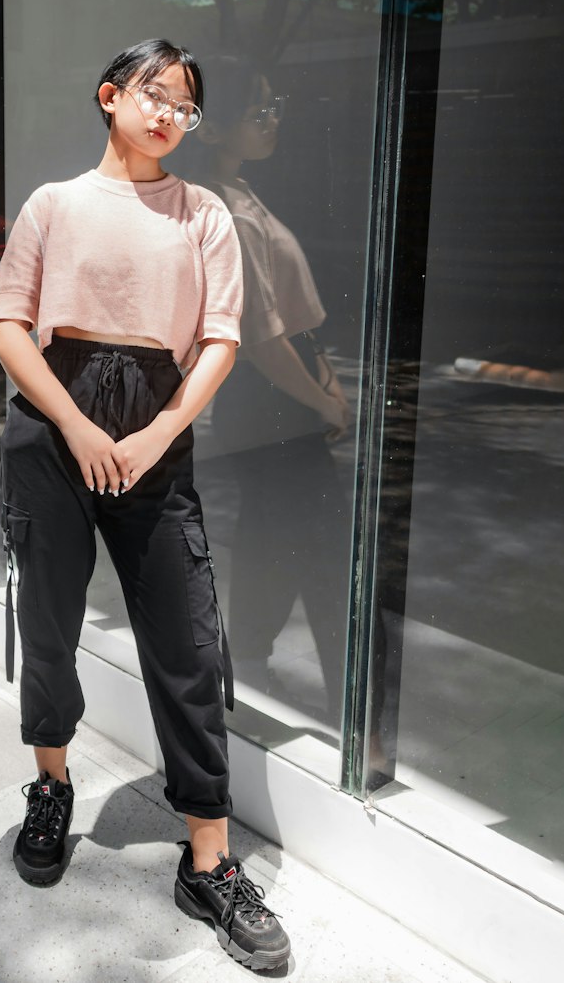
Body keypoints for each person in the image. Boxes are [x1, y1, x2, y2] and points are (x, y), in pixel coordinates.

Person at [0, 39, 291, 971]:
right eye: (153, 95)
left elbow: (218, 341)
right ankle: (51, 786)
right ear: (110, 96)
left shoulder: (204, 214)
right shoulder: (54, 205)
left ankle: (208, 859)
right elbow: (8, 323)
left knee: (189, 645)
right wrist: (76, 424)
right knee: (47, 622)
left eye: (185, 106)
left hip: (158, 427)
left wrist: (155, 437)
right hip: (55, 416)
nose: (167, 115)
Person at [199, 55, 354, 725]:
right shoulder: (227, 209)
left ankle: (250, 669)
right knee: (325, 553)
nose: (271, 118)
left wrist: (326, 384)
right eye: (255, 108)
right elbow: (261, 339)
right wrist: (324, 401)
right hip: (270, 400)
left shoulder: (239, 191)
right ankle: (358, 712)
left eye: (274, 105)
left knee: (272, 535)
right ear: (213, 127)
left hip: (272, 398)